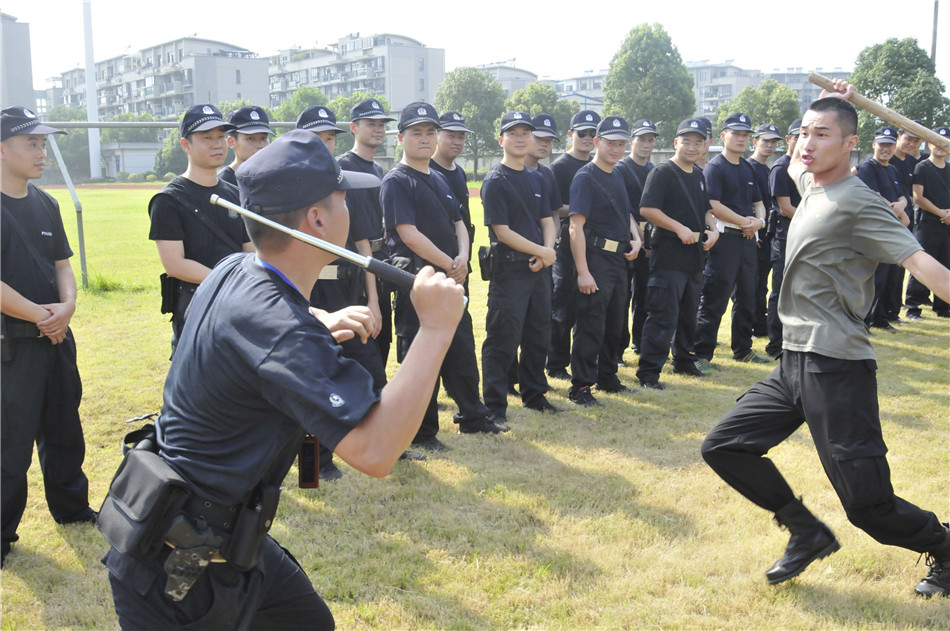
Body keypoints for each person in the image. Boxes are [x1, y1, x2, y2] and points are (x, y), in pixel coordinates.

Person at [101, 129, 469, 628]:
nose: (351, 211)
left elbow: (253, 326)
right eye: (344, 199)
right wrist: (435, 328)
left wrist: (315, 321)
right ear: (317, 218)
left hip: (218, 535)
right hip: (179, 568)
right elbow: (376, 452)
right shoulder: (281, 330)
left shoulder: (234, 268)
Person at [701, 82, 950, 598]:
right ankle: (806, 530)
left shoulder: (860, 202)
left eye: (823, 135)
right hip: (794, 361)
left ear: (849, 144)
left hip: (837, 364)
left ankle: (946, 549)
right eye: (804, 133)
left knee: (869, 509)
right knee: (724, 446)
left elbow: (921, 263)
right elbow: (797, 162)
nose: (806, 144)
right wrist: (846, 97)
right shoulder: (812, 185)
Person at [1, 106, 97, 568]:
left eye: (43, 144)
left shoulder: (46, 202)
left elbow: (62, 264)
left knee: (64, 428)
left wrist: (69, 306)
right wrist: (44, 315)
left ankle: (73, 510)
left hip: (55, 337)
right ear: (2, 149)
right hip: (11, 344)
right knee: (9, 443)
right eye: (30, 144)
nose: (42, 152)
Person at [381, 102, 504, 448]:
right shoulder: (397, 181)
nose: (425, 139)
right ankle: (422, 432)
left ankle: (473, 416)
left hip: (451, 278)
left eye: (430, 132)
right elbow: (408, 233)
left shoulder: (439, 177)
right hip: (419, 282)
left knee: (462, 348)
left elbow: (459, 223)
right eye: (416, 132)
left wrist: (462, 258)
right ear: (401, 138)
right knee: (421, 358)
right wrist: (449, 262)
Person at [299, 105, 409, 479]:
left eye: (330, 139)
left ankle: (386, 444)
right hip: (309, 295)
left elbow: (364, 247)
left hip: (348, 290)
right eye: (317, 138)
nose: (325, 145)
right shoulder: (287, 191)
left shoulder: (341, 182)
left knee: (371, 374)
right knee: (312, 382)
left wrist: (373, 302)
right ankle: (314, 466)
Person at [148, 104, 253, 355]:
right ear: (186, 145)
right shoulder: (168, 200)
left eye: (220, 137)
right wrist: (225, 283)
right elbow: (175, 264)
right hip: (198, 305)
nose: (216, 144)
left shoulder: (235, 195)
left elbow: (249, 252)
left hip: (238, 304)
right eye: (206, 138)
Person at [480, 112, 558, 424]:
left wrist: (548, 251)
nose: (521, 138)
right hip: (510, 271)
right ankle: (495, 407)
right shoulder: (495, 180)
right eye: (513, 133)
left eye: (525, 133)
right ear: (501, 140)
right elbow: (503, 231)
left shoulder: (538, 178)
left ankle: (535, 394)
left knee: (539, 333)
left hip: (539, 268)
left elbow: (547, 220)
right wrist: (542, 251)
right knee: (503, 338)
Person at [635, 118, 719, 390]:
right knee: (663, 314)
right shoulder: (663, 172)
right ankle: (649, 372)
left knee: (688, 312)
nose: (692, 147)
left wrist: (714, 229)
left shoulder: (697, 174)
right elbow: (647, 209)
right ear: (676, 142)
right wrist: (679, 227)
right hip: (669, 254)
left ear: (705, 145)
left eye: (698, 142)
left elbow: (707, 208)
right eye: (687, 141)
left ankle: (683, 359)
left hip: (694, 255)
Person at [567, 116, 642, 405]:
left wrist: (635, 237)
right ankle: (581, 386)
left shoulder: (618, 174)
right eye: (610, 143)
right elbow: (575, 226)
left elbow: (626, 213)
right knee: (591, 323)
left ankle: (608, 376)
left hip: (619, 258)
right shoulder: (585, 177)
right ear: (597, 142)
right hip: (595, 258)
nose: (616, 148)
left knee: (615, 321)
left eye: (621, 143)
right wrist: (583, 272)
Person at [692, 113, 769, 370]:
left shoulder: (747, 168)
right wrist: (745, 221)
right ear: (723, 136)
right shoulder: (716, 167)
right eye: (735, 134)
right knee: (715, 297)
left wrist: (758, 221)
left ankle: (743, 349)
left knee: (748, 296)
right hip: (724, 239)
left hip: (747, 239)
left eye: (745, 135)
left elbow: (759, 203)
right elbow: (712, 205)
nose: (740, 139)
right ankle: (702, 354)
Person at [339, 98, 395, 363]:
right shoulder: (343, 169)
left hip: (379, 267)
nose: (378, 129)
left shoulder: (377, 169)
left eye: (381, 124)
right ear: (353, 127)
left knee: (383, 343)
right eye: (370, 123)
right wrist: (372, 298)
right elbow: (361, 239)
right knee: (364, 347)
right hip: (357, 274)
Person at [547, 110, 601, 382]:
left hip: (594, 248)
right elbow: (555, 207)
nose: (588, 138)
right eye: (583, 133)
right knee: (563, 307)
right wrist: (583, 210)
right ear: (571, 135)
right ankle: (556, 363)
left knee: (588, 309)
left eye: (593, 133)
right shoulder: (559, 167)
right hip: (566, 246)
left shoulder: (598, 166)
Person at [855, 126, 911, 331]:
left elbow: (903, 194)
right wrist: (899, 211)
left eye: (890, 145)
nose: (886, 149)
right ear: (874, 145)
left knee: (889, 278)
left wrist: (902, 204)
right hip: (874, 231)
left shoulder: (892, 169)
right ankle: (862, 323)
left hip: (891, 230)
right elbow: (873, 196)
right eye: (882, 145)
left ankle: (880, 319)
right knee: (872, 279)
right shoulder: (866, 167)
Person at [615, 119, 657, 358]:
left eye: (650, 140)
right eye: (641, 139)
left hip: (650, 239)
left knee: (645, 295)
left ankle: (641, 344)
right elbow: (623, 208)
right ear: (632, 141)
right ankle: (618, 349)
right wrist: (636, 235)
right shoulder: (621, 168)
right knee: (622, 297)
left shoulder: (654, 170)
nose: (646, 144)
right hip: (627, 238)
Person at [765, 119, 802, 359]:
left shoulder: (807, 167)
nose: (803, 142)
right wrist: (818, 218)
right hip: (786, 236)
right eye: (798, 137)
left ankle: (794, 340)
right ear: (789, 140)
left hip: (805, 235)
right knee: (781, 291)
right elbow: (785, 207)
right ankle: (776, 344)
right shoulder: (782, 168)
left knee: (800, 290)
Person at [430, 110, 476, 292]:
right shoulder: (427, 171)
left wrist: (463, 258)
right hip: (435, 265)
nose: (457, 142)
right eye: (451, 136)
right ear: (437, 136)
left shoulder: (460, 173)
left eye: (461, 137)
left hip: (462, 260)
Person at [909, 126, 950, 319]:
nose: (941, 147)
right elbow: (918, 197)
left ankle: (943, 307)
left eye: (945, 143)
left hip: (948, 225)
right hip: (928, 223)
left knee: (946, 265)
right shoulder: (922, 167)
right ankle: (913, 307)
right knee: (923, 264)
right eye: (936, 143)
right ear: (929, 144)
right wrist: (942, 213)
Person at [749, 123, 782, 338]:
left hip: (769, 231)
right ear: (756, 142)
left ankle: (761, 325)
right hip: (756, 234)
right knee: (754, 283)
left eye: (773, 142)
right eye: (765, 141)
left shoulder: (767, 168)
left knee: (762, 284)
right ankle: (755, 325)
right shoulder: (748, 166)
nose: (769, 145)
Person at [218, 105, 274, 187]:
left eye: (263, 138)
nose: (260, 145)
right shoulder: (223, 183)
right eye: (251, 139)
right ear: (231, 142)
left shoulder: (275, 179)